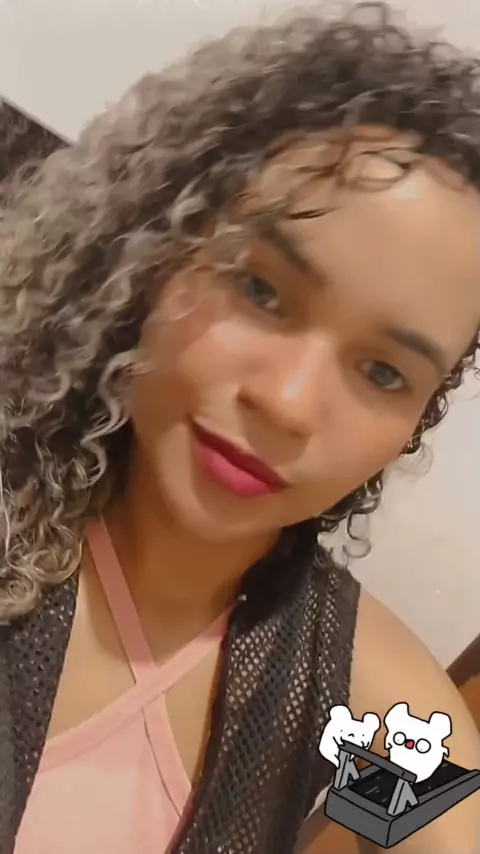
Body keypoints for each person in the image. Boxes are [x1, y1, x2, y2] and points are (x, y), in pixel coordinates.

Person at [0, 3, 479, 852]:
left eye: (382, 372)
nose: (288, 403)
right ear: (154, 251)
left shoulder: (385, 719)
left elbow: (431, 826)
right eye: (260, 290)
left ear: (417, 418)